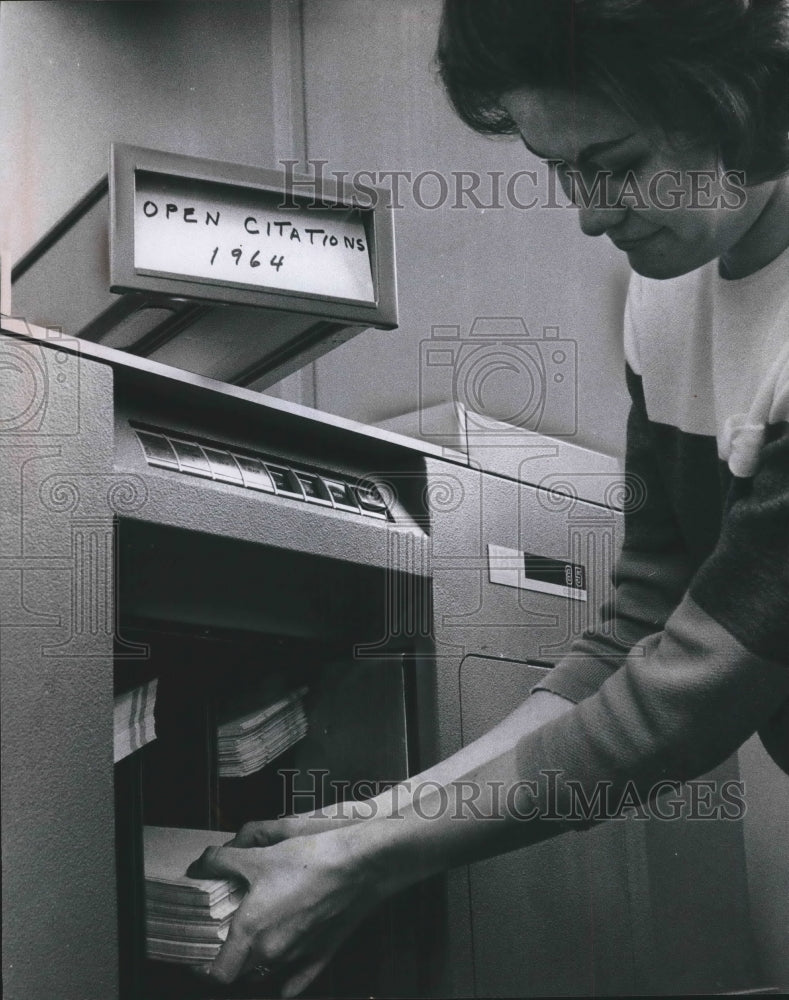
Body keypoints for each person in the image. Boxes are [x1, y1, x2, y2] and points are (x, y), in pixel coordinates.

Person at [189, 2, 789, 995]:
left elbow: (689, 693)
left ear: (755, 101)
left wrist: (372, 858)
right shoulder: (664, 295)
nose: (592, 214)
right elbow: (640, 626)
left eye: (620, 161)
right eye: (564, 170)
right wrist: (372, 816)